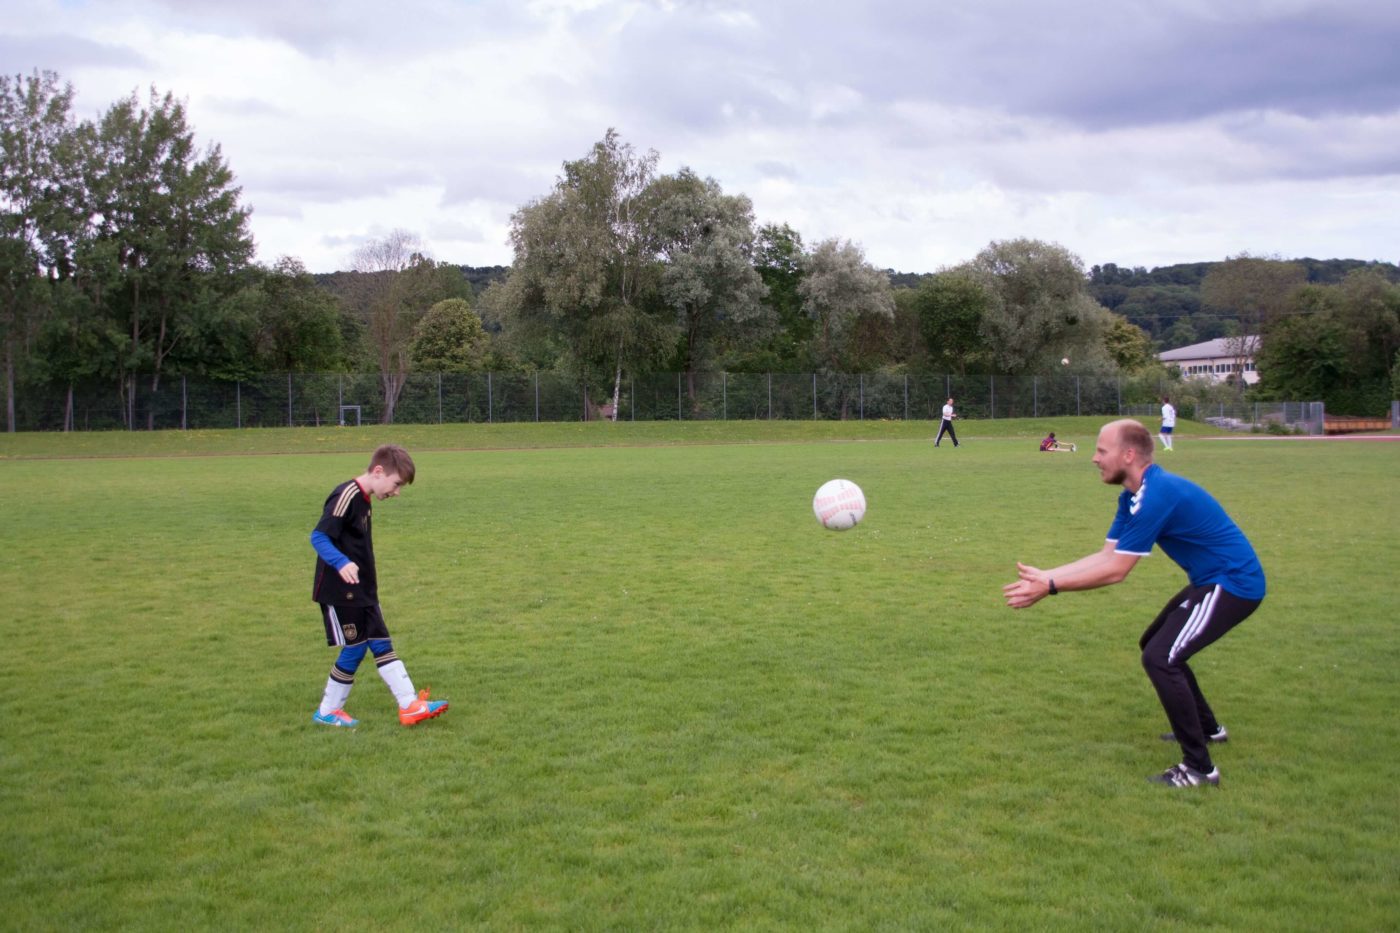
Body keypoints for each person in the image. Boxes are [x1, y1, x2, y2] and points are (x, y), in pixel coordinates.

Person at [1002, 419, 1265, 788]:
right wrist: (1048, 575)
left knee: (1160, 657)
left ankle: (1199, 769)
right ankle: (1208, 729)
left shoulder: (1158, 495)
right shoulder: (1132, 496)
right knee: (1155, 646)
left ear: (1128, 455)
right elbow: (1106, 554)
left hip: (1234, 584)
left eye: (1101, 451)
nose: (1094, 458)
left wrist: (1051, 585)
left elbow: (1116, 571)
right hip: (1211, 581)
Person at [309, 444, 449, 728]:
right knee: (356, 648)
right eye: (396, 484)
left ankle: (409, 705)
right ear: (378, 471)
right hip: (342, 590)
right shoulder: (346, 495)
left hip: (362, 590)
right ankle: (327, 711)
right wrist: (341, 563)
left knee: (383, 644)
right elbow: (319, 537)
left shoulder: (365, 499)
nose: (396, 492)